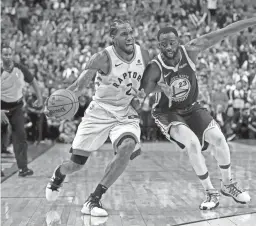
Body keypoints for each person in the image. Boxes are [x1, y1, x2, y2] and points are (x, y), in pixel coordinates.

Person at [134, 17, 256, 210]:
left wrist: (252, 20)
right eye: (163, 44)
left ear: (179, 40)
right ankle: (210, 192)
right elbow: (142, 93)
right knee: (192, 144)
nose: (168, 47)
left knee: (219, 139)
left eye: (172, 42)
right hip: (167, 112)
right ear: (159, 45)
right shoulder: (155, 67)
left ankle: (228, 184)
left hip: (192, 107)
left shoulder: (191, 50)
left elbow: (225, 31)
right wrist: (159, 89)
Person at [45, 19, 151, 217]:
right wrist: (54, 107)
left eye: (130, 32)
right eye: (123, 34)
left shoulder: (143, 54)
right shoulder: (102, 58)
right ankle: (58, 175)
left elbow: (147, 82)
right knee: (75, 165)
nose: (129, 37)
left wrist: (142, 96)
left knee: (127, 146)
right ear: (113, 38)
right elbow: (78, 87)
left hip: (125, 112)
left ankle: (94, 199)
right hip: (99, 112)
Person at [1, 43, 43, 177]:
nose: (7, 57)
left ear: (12, 55)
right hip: (1, 108)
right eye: (5, 54)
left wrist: (40, 98)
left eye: (9, 54)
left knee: (20, 136)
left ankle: (23, 168)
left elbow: (33, 81)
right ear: (1, 55)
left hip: (17, 107)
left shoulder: (20, 69)